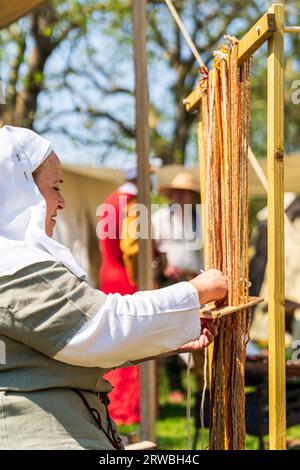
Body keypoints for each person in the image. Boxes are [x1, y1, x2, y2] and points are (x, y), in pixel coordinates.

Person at [0, 125, 227, 450]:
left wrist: (176, 330)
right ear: (22, 191)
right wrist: (196, 290)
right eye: (54, 188)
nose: (61, 202)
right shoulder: (11, 266)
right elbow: (98, 328)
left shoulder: (112, 202)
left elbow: (69, 342)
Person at [152, 171, 204, 402]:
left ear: (192, 196)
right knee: (169, 331)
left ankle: (202, 381)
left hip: (197, 282)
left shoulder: (202, 219)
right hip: (169, 282)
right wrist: (164, 268)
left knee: (198, 330)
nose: (179, 196)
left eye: (184, 192)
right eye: (176, 192)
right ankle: (175, 386)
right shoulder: (159, 218)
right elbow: (152, 251)